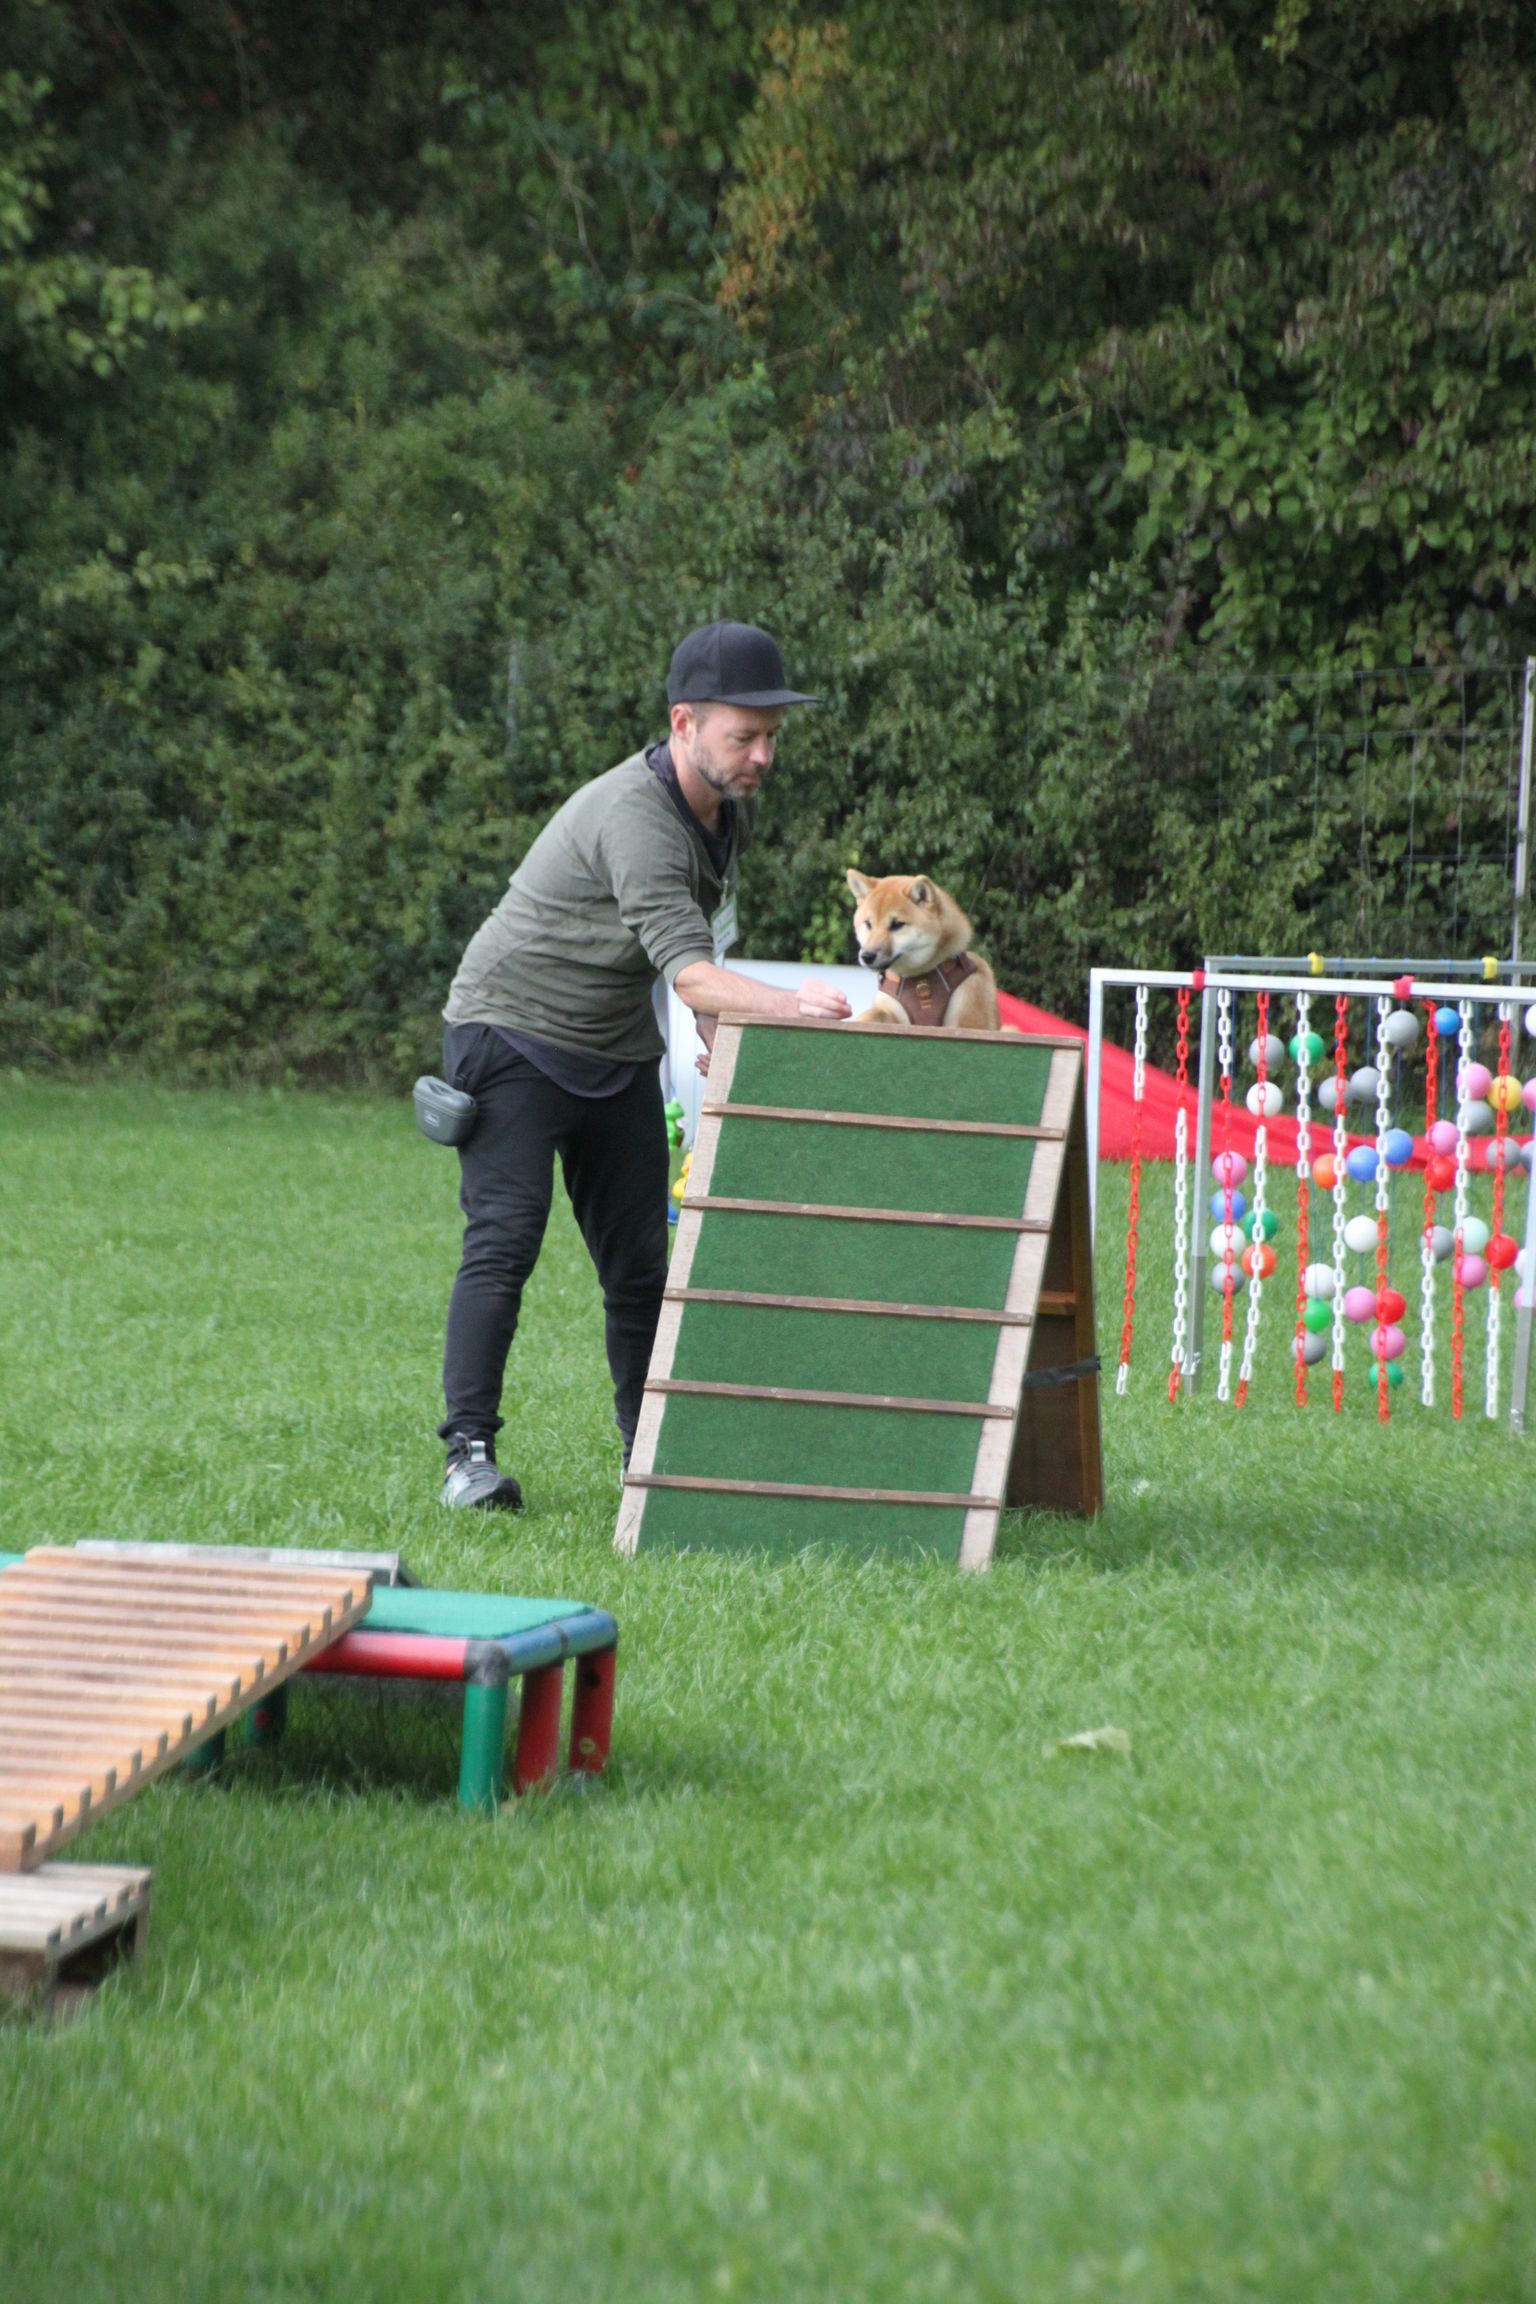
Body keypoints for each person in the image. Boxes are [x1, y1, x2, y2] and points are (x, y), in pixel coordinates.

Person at [435, 619, 852, 1509]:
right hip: (509, 1030)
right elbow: (690, 969)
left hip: (615, 1044)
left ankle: (649, 1456)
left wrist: (714, 1027)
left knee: (638, 1267)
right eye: (743, 735)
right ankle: (468, 1456)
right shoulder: (636, 816)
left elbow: (696, 949)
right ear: (683, 724)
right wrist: (794, 1006)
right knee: (505, 1242)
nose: (762, 755)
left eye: (771, 736)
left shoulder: (724, 813)